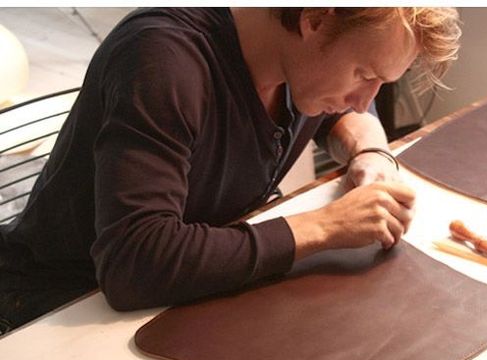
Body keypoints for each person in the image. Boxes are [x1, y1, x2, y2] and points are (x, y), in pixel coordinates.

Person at [0, 7, 460, 333]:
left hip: (183, 293)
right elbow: (134, 262)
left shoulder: (297, 60)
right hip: (57, 309)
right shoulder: (164, 60)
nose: (367, 98)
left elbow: (347, 112)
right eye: (364, 74)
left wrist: (370, 154)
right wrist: (325, 227)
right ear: (315, 21)